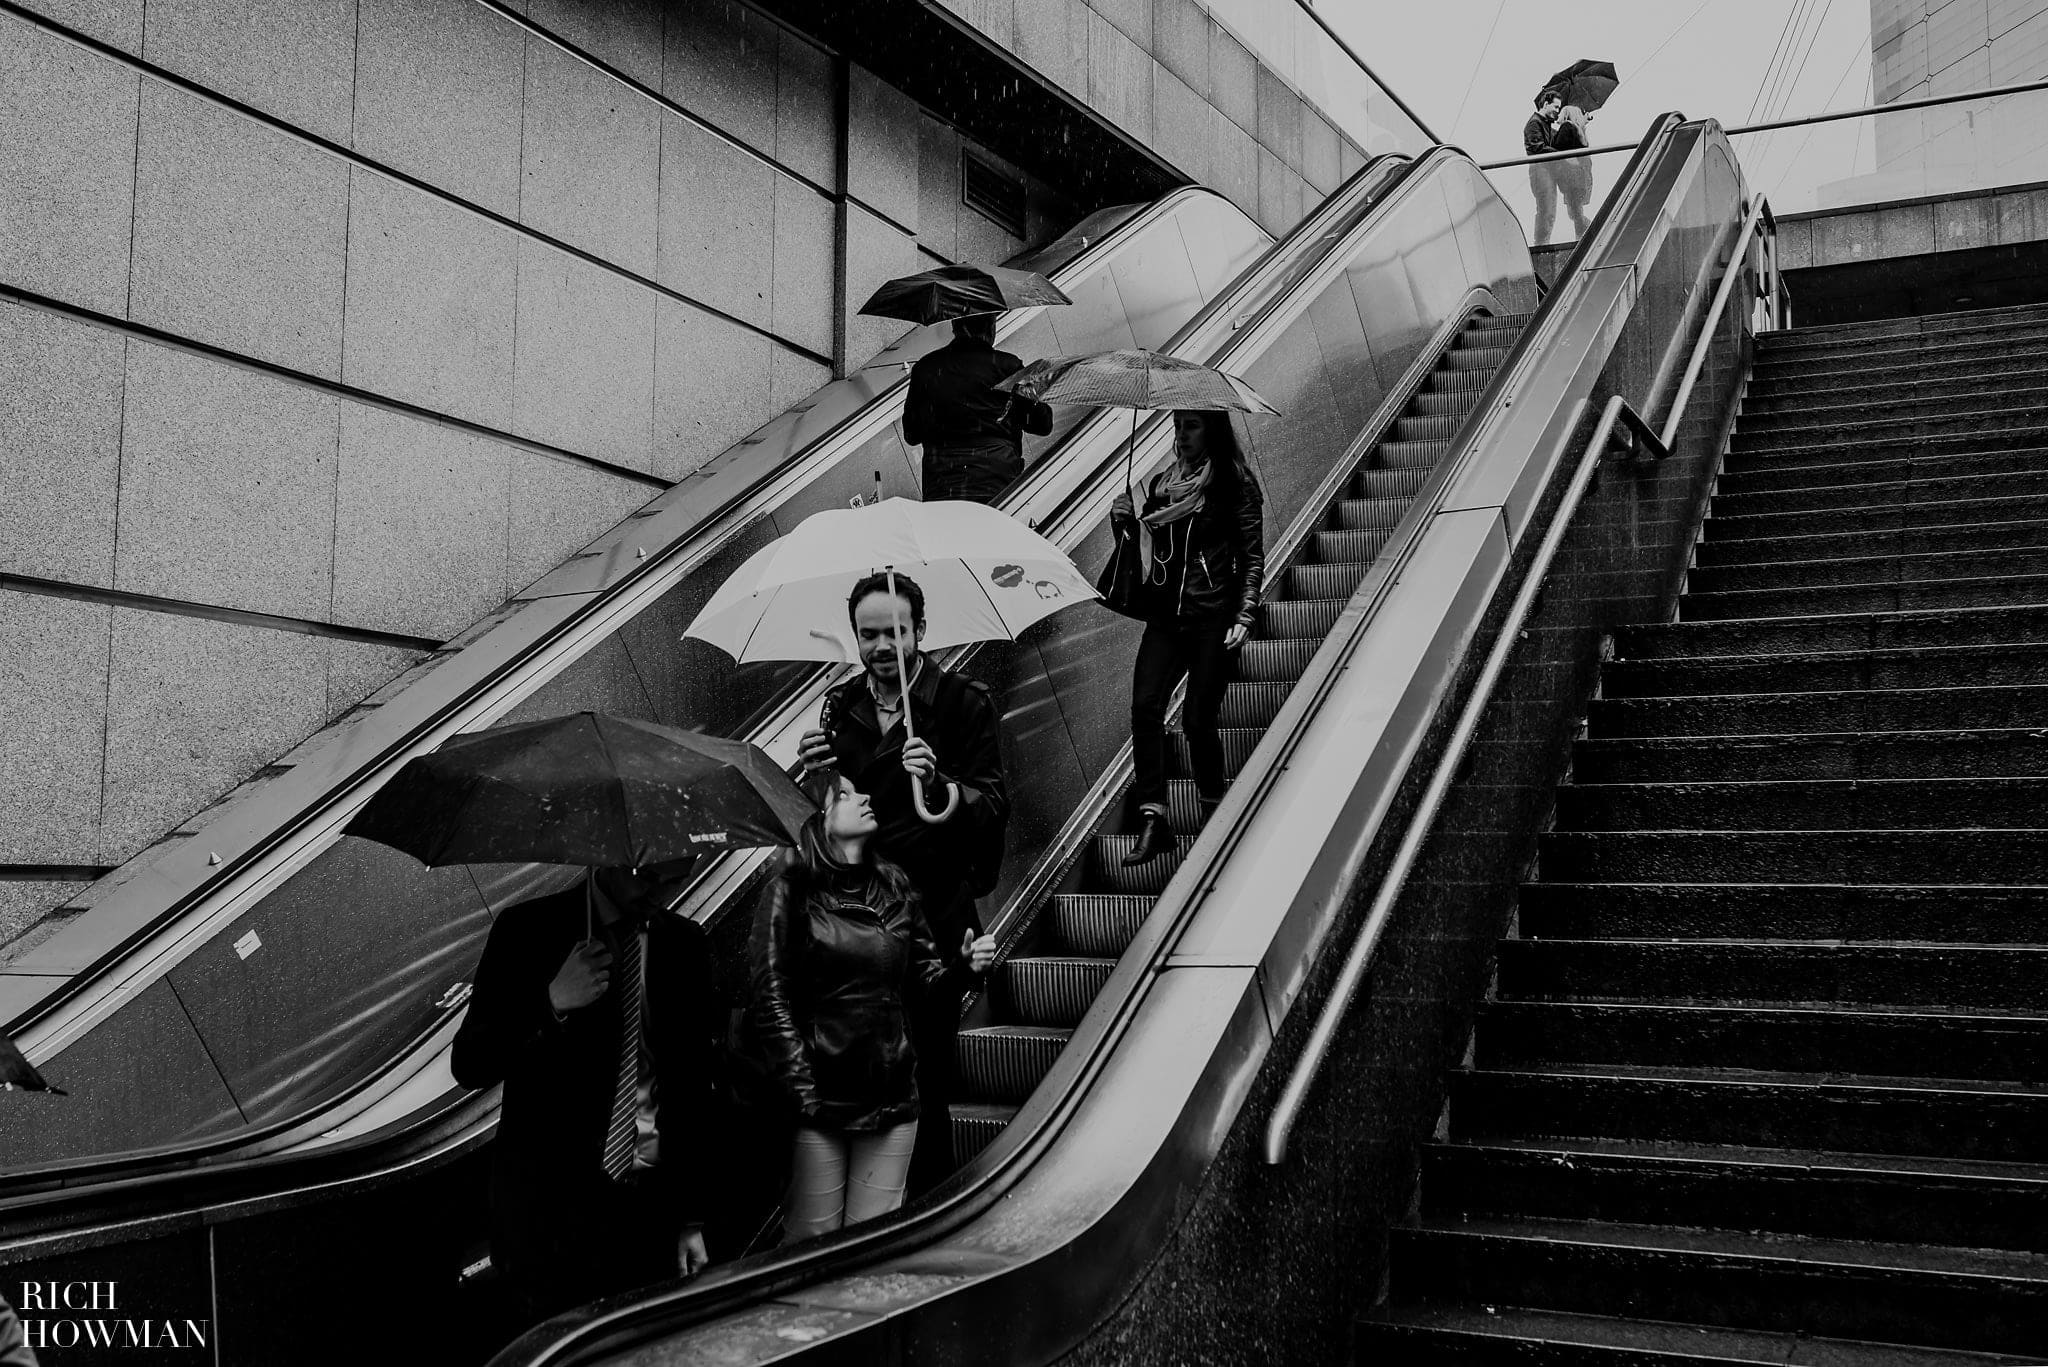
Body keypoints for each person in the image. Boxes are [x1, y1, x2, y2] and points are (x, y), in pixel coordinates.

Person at [796, 570, 1009, 1192]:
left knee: (926, 1077)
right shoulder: (841, 708)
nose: (881, 647)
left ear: (920, 630)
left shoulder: (963, 702)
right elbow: (832, 818)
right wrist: (815, 777)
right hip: (859, 927)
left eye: (894, 632)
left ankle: (931, 1206)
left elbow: (993, 804)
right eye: (869, 635)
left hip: (933, 920)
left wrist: (941, 786)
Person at [451, 865, 725, 1322]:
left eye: (676, 878)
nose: (659, 893)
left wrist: (692, 1216)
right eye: (648, 876)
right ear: (608, 855)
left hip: (648, 1212)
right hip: (550, 1215)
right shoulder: (529, 930)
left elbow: (692, 1087)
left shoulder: (683, 944)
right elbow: (471, 1063)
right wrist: (550, 1002)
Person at [749, 776, 997, 1240]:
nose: (863, 795)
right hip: (818, 1101)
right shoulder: (789, 892)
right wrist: (804, 1095)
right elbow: (770, 1000)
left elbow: (926, 989)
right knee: (812, 1250)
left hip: (890, 1099)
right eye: (842, 795)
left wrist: (963, 969)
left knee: (873, 1248)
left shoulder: (895, 887)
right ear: (815, 820)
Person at [1112, 410, 1266, 867]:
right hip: (1165, 618)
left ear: (1213, 430)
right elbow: (1144, 552)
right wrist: (1123, 522)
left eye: (1192, 425)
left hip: (1212, 617)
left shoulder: (1233, 482)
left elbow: (1251, 553)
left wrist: (1245, 611)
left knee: (1198, 720)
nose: (1181, 434)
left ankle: (1214, 813)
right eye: (1177, 425)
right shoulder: (1162, 485)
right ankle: (1155, 819)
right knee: (1144, 706)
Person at [903, 313, 1055, 504]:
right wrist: (1036, 391)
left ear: (954, 327)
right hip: (997, 482)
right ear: (990, 329)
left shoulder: (926, 368)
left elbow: (911, 434)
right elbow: (1043, 424)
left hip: (942, 488)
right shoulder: (1007, 367)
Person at [1524, 89, 1564, 246]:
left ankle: (1543, 243)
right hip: (1539, 171)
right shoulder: (1535, 123)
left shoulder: (1545, 125)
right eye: (1556, 107)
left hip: (1546, 171)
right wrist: (1560, 153)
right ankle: (1541, 245)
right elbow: (1538, 147)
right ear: (1546, 104)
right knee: (1546, 210)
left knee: (1549, 210)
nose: (1557, 111)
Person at [1551, 103, 1595, 241]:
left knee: (1574, 210)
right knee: (1575, 209)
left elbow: (1558, 147)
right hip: (1580, 176)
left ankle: (1587, 232)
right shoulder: (1580, 132)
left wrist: (1551, 133)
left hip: (1570, 175)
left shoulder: (1566, 127)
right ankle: (1585, 231)